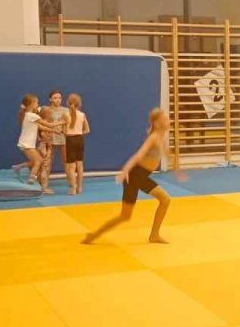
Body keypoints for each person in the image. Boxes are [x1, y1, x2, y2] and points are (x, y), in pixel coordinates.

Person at [81, 108, 186, 245]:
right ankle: (94, 235)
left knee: (127, 215)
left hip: (141, 176)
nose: (169, 120)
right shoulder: (154, 137)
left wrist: (178, 171)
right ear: (158, 123)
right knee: (159, 202)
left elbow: (168, 154)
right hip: (135, 175)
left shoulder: (162, 138)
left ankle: (153, 235)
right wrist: (125, 171)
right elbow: (138, 155)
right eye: (165, 119)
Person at [64, 93, 90, 195]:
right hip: (79, 139)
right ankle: (80, 187)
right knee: (80, 165)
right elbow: (87, 130)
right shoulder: (82, 115)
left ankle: (73, 188)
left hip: (70, 140)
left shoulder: (65, 115)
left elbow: (64, 130)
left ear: (68, 103)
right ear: (79, 104)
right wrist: (79, 132)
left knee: (71, 166)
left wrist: (65, 132)